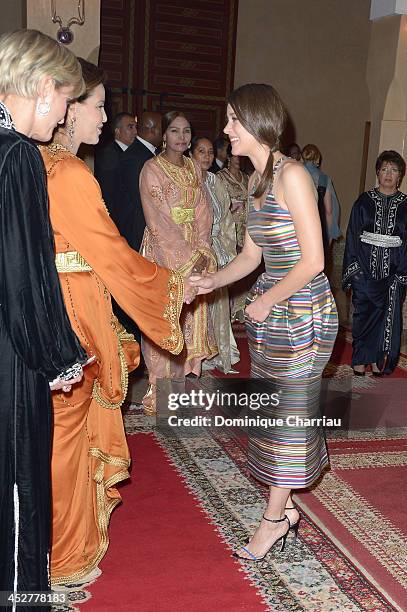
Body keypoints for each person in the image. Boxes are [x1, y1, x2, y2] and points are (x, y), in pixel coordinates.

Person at [40, 60, 188, 586]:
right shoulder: (71, 174)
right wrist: (171, 289)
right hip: (73, 313)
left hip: (50, 305)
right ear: (68, 107)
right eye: (98, 106)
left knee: (53, 434)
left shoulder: (33, 160)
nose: (108, 117)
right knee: (68, 436)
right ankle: (63, 554)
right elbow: (114, 258)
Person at [191, 83, 338, 561]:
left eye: (234, 120)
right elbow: (252, 255)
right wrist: (210, 281)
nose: (227, 129)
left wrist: (268, 299)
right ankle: (287, 506)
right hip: (275, 310)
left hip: (305, 313)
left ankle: (274, 519)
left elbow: (314, 259)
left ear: (257, 122)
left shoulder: (293, 176)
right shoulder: (256, 182)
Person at [0, 29, 88, 603]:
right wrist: (59, 354)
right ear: (42, 88)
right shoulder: (20, 157)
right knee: (19, 484)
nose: (62, 119)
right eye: (64, 102)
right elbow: (28, 272)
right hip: (11, 352)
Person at [140, 111, 218, 414]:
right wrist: (185, 259)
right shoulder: (152, 169)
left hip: (194, 249)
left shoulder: (194, 169)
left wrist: (201, 251)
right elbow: (157, 219)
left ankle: (181, 384)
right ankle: (158, 389)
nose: (181, 137)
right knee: (164, 317)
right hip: (163, 252)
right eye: (174, 130)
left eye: (186, 131)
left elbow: (203, 212)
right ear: (164, 135)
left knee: (188, 318)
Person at [343, 150, 407, 376]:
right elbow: (352, 235)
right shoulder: (363, 202)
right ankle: (360, 360)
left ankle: (382, 361)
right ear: (377, 173)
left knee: (387, 321)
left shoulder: (406, 205)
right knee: (362, 318)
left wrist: (401, 273)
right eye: (384, 169)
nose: (388, 174)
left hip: (394, 275)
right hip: (364, 272)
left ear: (400, 175)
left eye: (394, 170)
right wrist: (355, 271)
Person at [191, 136, 240, 373]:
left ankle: (215, 350)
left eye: (210, 152)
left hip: (216, 247)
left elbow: (227, 219)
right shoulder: (185, 180)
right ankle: (193, 354)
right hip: (191, 251)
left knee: (217, 304)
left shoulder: (215, 181)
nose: (207, 156)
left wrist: (225, 248)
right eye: (201, 151)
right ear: (191, 153)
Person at [94, 111, 140, 338]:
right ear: (117, 131)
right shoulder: (108, 154)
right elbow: (109, 197)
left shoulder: (135, 154)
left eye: (135, 127)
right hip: (116, 226)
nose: (135, 131)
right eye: (130, 127)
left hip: (130, 226)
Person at [217, 145, 250, 321]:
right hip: (229, 229)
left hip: (246, 229)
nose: (238, 159)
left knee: (246, 269)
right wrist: (231, 206)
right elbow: (217, 204)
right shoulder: (221, 177)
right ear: (228, 157)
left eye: (241, 156)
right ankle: (226, 312)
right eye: (235, 156)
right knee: (231, 267)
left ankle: (241, 310)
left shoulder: (246, 178)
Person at [302, 144, 342, 252]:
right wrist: (328, 236)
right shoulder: (324, 179)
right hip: (316, 226)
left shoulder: (295, 174)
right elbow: (329, 211)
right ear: (317, 158)